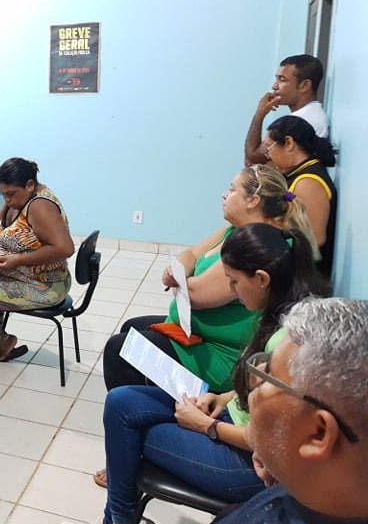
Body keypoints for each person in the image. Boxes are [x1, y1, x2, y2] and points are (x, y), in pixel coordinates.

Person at [60, 223, 330, 524]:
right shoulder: (278, 313)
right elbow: (254, 392)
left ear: (261, 278)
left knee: (126, 430)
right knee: (121, 402)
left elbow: (270, 442)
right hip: (232, 419)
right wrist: (222, 397)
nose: (231, 289)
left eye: (234, 282)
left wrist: (207, 426)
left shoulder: (288, 341)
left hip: (244, 463)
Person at [172, 298, 368, 524]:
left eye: (269, 375)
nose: (254, 380)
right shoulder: (326, 492)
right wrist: (284, 461)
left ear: (317, 433)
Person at [102, 165, 319, 393]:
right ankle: (143, 402)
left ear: (253, 200)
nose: (224, 195)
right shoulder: (234, 230)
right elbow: (190, 254)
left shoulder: (258, 246)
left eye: (232, 189)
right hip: (197, 332)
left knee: (119, 350)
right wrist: (182, 276)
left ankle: (142, 410)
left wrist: (181, 278)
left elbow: (195, 295)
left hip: (222, 351)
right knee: (130, 328)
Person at [0, 157, 74, 364]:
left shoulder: (39, 206)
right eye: (3, 194)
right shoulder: (19, 199)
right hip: (22, 276)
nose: (7, 200)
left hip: (45, 285)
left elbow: (65, 248)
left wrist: (18, 260)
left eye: (10, 194)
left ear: (29, 185)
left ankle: (2, 341)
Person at [264, 115, 337, 276]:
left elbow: (314, 239)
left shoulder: (309, 182)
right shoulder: (298, 174)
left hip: (308, 278)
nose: (268, 155)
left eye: (269, 147)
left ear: (289, 143)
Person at [244, 54, 328, 165]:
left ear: (305, 85)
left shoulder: (304, 120)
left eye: (282, 80)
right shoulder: (308, 114)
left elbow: (252, 160)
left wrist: (260, 114)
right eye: (276, 79)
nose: (274, 86)